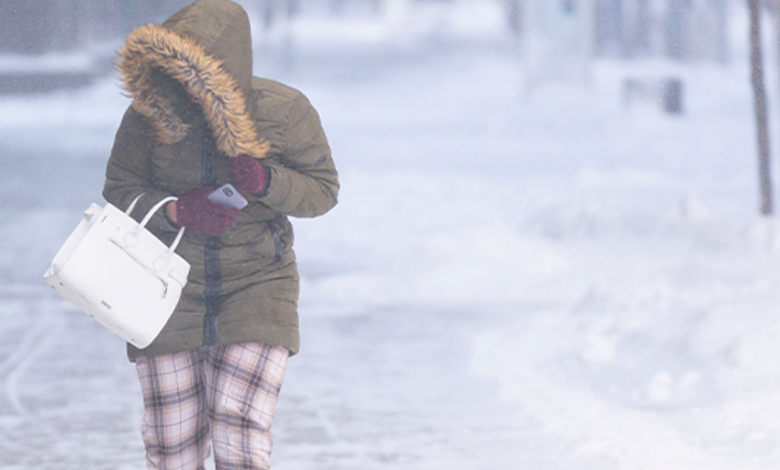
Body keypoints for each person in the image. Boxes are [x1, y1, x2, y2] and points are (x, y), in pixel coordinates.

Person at [102, 0, 339, 468]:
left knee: (241, 437)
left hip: (257, 288)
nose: (187, 90)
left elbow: (323, 190)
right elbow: (119, 191)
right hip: (163, 291)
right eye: (177, 75)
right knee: (173, 449)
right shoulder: (147, 117)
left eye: (198, 77)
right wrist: (175, 211)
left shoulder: (285, 112)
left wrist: (267, 181)